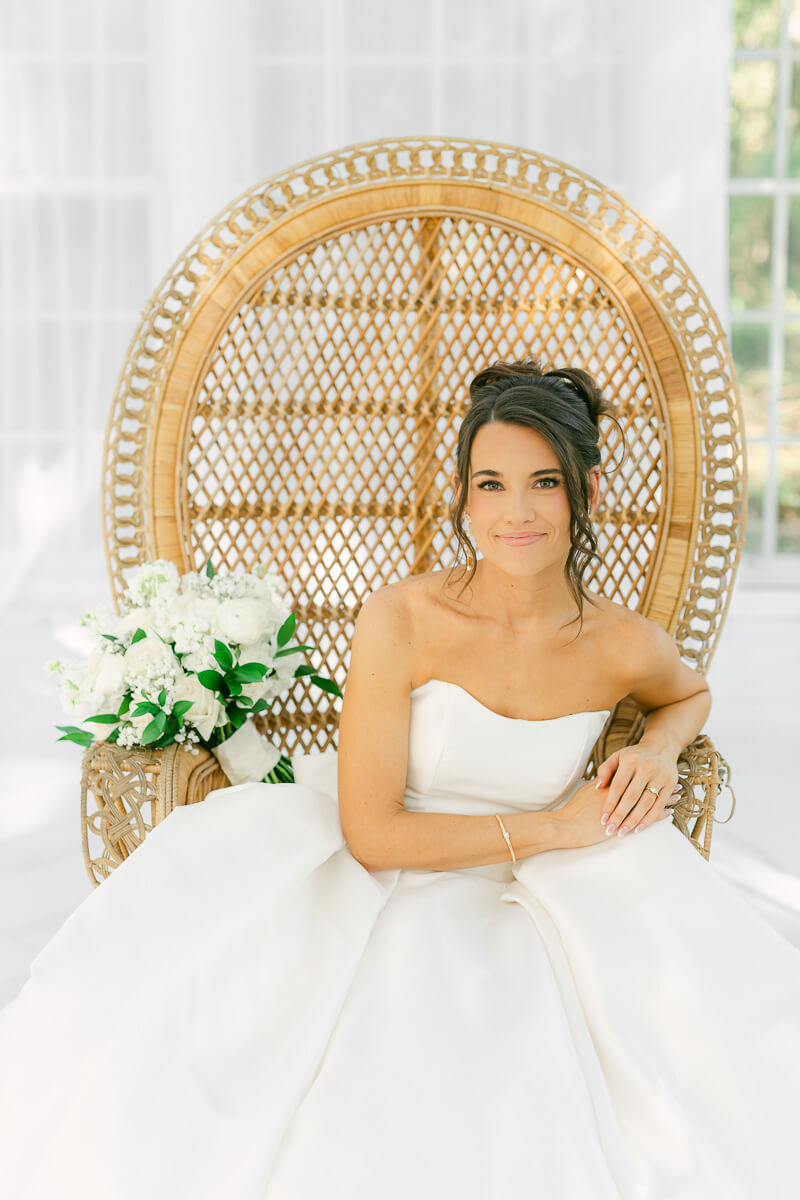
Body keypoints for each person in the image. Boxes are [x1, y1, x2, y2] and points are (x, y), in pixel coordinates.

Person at [1, 358, 799, 1200]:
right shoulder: (404, 618)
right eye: (490, 484)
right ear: (462, 495)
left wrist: (660, 748)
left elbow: (690, 693)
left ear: (586, 492)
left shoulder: (621, 643)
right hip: (386, 867)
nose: (516, 512)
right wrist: (559, 828)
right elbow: (373, 835)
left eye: (544, 483)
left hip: (541, 891)